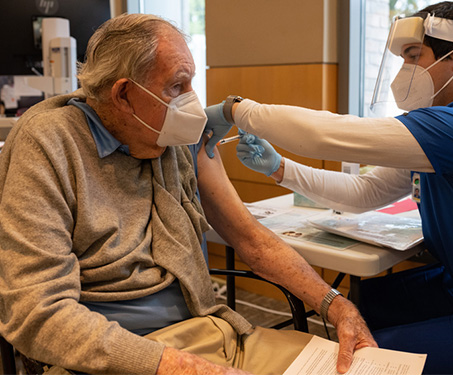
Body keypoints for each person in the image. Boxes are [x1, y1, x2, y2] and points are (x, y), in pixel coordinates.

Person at [0, 13, 377, 375]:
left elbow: (252, 239)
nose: (192, 102)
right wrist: (179, 366)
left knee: (362, 367)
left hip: (209, 330)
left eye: (192, 83)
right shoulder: (47, 143)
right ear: (124, 94)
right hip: (113, 355)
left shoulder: (174, 138)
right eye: (177, 86)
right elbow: (39, 311)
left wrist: (337, 306)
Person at [204, 1, 453, 373]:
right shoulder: (450, 126)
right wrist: (280, 168)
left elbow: (326, 134)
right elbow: (366, 193)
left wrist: (235, 109)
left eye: (413, 55)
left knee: (367, 362)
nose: (405, 70)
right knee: (364, 303)